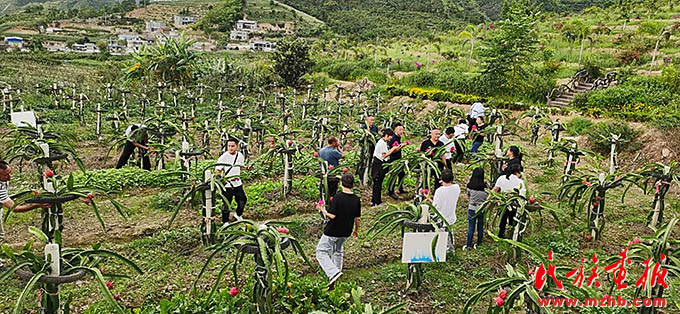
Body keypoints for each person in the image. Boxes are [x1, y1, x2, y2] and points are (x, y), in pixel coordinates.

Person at [316, 173, 361, 289]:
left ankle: (333, 273)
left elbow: (332, 216)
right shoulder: (356, 199)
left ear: (341, 184)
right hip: (346, 231)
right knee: (338, 250)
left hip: (333, 230)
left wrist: (323, 210)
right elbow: (357, 218)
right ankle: (337, 273)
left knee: (321, 251)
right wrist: (356, 230)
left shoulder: (338, 197)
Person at [0, 160, 51, 241]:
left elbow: (9, 195)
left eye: (10, 173)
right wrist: (37, 204)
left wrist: (29, 194)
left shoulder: (4, 180)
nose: (10, 176)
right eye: (6, 175)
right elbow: (15, 209)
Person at [425, 169, 459, 253]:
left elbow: (436, 206)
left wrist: (428, 198)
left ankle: (444, 251)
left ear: (441, 179)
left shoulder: (439, 191)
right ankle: (451, 248)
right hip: (451, 215)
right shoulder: (457, 188)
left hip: (441, 218)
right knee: (450, 232)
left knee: (441, 235)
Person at [216, 138, 247, 225]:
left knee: (242, 200)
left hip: (237, 183)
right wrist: (221, 180)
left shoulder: (240, 155)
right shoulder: (224, 157)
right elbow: (218, 169)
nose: (230, 148)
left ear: (237, 146)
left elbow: (240, 166)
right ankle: (225, 221)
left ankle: (238, 215)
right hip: (227, 185)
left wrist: (247, 168)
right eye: (229, 146)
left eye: (232, 146)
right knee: (226, 203)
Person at [492, 164, 526, 238]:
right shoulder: (520, 182)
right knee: (512, 219)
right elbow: (523, 194)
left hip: (502, 203)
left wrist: (488, 200)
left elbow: (495, 189)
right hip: (514, 203)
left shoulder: (502, 178)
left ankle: (500, 234)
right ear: (518, 172)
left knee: (502, 219)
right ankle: (511, 234)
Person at [371, 128, 402, 206]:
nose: (391, 138)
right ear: (387, 135)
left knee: (378, 183)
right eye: (390, 136)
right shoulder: (381, 143)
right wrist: (393, 149)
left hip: (380, 164)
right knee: (377, 183)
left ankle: (375, 200)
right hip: (378, 165)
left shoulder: (384, 142)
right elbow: (384, 155)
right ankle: (376, 201)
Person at [464, 167, 489, 250]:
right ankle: (479, 243)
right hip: (481, 208)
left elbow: (468, 196)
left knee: (471, 227)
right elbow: (489, 195)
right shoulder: (486, 186)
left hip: (472, 208)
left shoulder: (470, 185)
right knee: (480, 227)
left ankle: (468, 244)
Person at [387, 123, 406, 199]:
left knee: (402, 174)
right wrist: (402, 146)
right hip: (393, 159)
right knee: (393, 175)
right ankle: (390, 191)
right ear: (395, 130)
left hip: (398, 159)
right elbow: (393, 151)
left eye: (402, 129)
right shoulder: (393, 138)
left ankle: (400, 188)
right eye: (400, 129)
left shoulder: (398, 137)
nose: (401, 131)